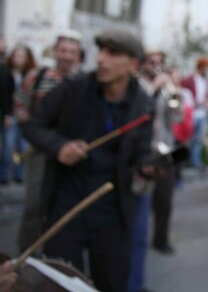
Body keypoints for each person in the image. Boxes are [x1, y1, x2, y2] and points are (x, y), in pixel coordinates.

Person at [21, 29, 153, 292]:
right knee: (60, 282)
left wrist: (149, 168)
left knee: (111, 282)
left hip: (111, 212)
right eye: (101, 51)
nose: (101, 59)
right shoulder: (73, 89)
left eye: (113, 53)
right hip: (66, 205)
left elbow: (141, 155)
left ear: (133, 64)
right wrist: (60, 147)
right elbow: (32, 125)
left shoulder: (143, 105)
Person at [14, 30, 83, 253]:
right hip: (40, 151)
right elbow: (20, 103)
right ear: (55, 51)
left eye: (72, 52)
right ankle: (26, 258)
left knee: (63, 207)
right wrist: (32, 128)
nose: (67, 56)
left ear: (78, 55)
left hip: (70, 154)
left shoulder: (83, 82)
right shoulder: (38, 76)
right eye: (63, 50)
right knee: (35, 206)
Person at [127, 49, 182, 292]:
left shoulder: (167, 86)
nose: (157, 66)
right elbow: (136, 114)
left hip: (165, 150)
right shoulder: (137, 86)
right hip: (142, 152)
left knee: (165, 200)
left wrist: (174, 95)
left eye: (160, 62)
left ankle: (161, 240)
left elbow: (177, 117)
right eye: (152, 62)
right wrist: (154, 89)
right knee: (138, 206)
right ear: (143, 64)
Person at [0, 45, 36, 185]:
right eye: (17, 55)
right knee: (8, 147)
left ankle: (18, 174)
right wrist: (7, 114)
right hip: (11, 116)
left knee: (23, 147)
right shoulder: (6, 73)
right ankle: (4, 175)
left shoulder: (31, 75)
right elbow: (4, 96)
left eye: (22, 56)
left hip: (26, 118)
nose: (18, 59)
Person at [181, 56, 208, 169]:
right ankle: (185, 161)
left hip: (202, 114)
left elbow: (206, 95)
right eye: (205, 66)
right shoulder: (189, 80)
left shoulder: (204, 81)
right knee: (188, 138)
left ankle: (195, 162)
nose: (207, 69)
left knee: (197, 140)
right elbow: (184, 95)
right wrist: (195, 102)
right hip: (192, 114)